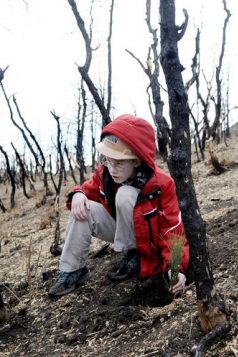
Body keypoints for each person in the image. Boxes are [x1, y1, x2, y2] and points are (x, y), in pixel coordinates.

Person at [49, 114, 189, 297]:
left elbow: (174, 230)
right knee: (83, 208)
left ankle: (135, 256)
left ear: (136, 160)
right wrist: (77, 194)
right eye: (107, 160)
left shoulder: (162, 184)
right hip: (121, 231)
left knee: (125, 194)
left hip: (150, 242)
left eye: (119, 163)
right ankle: (73, 270)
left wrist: (175, 267)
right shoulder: (105, 173)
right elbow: (86, 190)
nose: (112, 168)